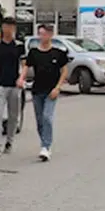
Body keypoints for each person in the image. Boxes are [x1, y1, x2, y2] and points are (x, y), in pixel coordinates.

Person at [24, 24, 69, 162]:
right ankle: (45, 143)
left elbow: (64, 71)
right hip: (37, 90)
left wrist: (58, 87)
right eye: (40, 34)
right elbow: (26, 66)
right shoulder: (34, 53)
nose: (41, 37)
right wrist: (21, 78)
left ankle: (45, 146)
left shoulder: (58, 53)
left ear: (50, 35)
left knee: (47, 117)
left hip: (51, 91)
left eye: (44, 34)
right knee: (40, 121)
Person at [0, 17, 25, 157]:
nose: (7, 30)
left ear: (14, 29)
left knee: (13, 116)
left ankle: (9, 141)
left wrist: (22, 79)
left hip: (15, 85)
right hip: (0, 84)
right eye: (5, 27)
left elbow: (24, 64)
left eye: (10, 27)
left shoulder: (19, 46)